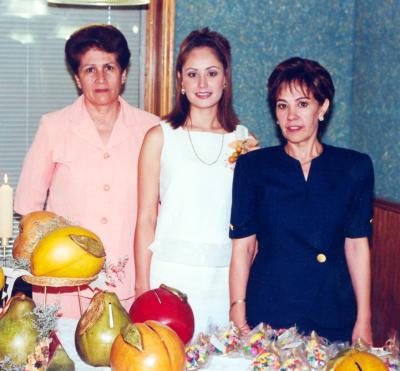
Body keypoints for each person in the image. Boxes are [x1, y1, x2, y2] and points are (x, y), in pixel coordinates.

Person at [14, 24, 159, 318]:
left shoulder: (152, 129)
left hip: (133, 283)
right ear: (78, 78)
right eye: (90, 69)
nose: (101, 78)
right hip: (65, 285)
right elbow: (28, 207)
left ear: (124, 74)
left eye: (109, 67)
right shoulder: (54, 127)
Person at [229, 57, 374, 344]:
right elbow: (243, 248)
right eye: (283, 106)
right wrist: (237, 309)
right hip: (270, 313)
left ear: (323, 108)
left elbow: (357, 246)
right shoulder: (253, 167)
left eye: (303, 104)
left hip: (333, 312)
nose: (291, 116)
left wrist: (364, 318)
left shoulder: (353, 167)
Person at [134, 27, 257, 335]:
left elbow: (252, 229)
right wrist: (142, 287)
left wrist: (242, 294)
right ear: (180, 80)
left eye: (212, 73)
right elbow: (146, 217)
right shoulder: (159, 137)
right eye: (192, 74)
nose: (202, 84)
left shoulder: (246, 142)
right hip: (170, 277)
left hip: (225, 282)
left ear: (225, 79)